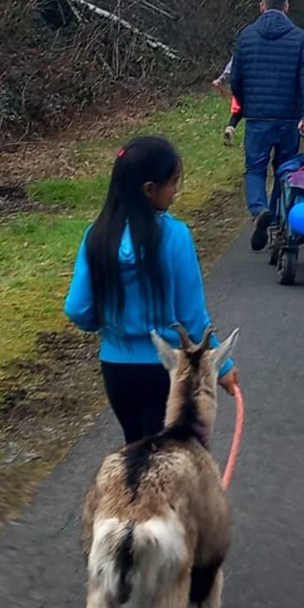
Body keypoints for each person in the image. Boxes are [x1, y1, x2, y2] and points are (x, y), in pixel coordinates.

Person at [64, 136, 239, 446]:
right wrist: (221, 367)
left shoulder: (97, 235)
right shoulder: (175, 236)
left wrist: (105, 324)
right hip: (166, 369)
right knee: (163, 456)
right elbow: (192, 317)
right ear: (149, 189)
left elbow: (77, 307)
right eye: (173, 183)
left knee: (136, 448)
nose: (176, 191)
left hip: (116, 367)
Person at [229, 0, 304, 253]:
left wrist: (241, 108)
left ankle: (259, 210)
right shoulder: (299, 37)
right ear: (286, 7)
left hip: (257, 116)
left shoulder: (246, 36)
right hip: (288, 117)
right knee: (285, 169)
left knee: (255, 168)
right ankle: (278, 219)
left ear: (262, 6)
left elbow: (236, 77)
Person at [211, 57, 242, 146]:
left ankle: (230, 128)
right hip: (252, 84)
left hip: (238, 84)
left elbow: (230, 67)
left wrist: (220, 79)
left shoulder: (241, 48)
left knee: (238, 111)